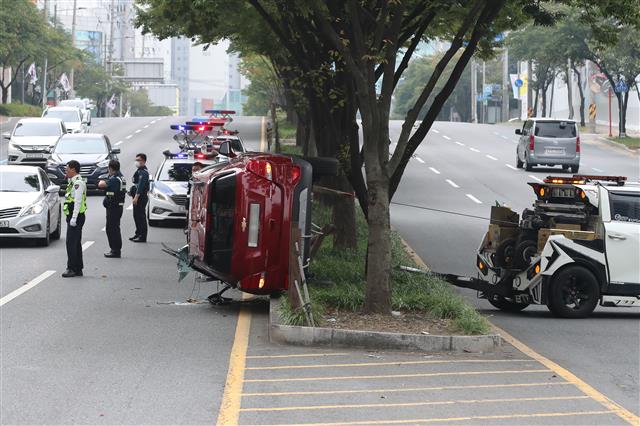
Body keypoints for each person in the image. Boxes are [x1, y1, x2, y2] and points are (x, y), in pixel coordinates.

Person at [62, 160, 87, 278]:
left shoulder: (78, 183)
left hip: (75, 216)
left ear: (73, 169)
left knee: (71, 243)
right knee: (76, 243)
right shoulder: (72, 182)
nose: (66, 170)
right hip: (73, 216)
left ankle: (71, 268)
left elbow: (78, 201)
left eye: (67, 169)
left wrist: (74, 217)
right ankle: (78, 268)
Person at [98, 159, 126, 258]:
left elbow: (101, 184)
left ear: (110, 168)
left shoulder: (115, 179)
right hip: (117, 206)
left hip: (114, 207)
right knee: (114, 228)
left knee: (112, 229)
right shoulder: (120, 177)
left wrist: (102, 181)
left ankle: (115, 250)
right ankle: (115, 249)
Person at [130, 153, 150, 243]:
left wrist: (136, 197)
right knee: (136, 216)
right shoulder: (139, 171)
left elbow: (141, 186)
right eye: (136, 160)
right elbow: (136, 183)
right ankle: (138, 233)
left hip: (141, 197)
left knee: (141, 216)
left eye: (139, 160)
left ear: (144, 161)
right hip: (136, 196)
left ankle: (142, 236)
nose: (137, 162)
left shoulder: (144, 172)